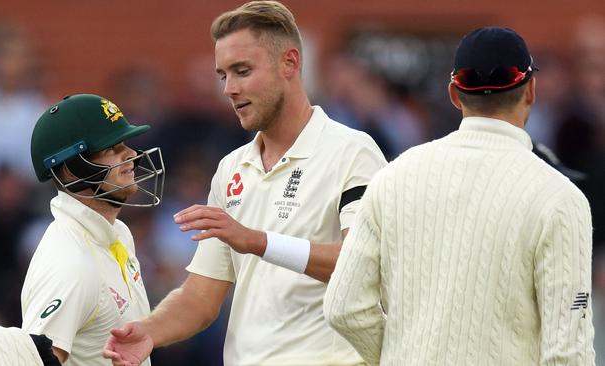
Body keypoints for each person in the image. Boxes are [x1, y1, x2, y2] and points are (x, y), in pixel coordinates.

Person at [103, 1, 387, 365]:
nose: (229, 89)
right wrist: (151, 331)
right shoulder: (232, 168)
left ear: (290, 63)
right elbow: (201, 297)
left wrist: (257, 241)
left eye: (242, 71)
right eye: (223, 75)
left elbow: (360, 262)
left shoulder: (353, 152)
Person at [323, 26, 595, 365]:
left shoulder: (392, 178)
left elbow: (344, 308)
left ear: (454, 94)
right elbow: (567, 350)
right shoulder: (560, 197)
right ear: (531, 92)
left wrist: (401, 354)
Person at [21, 93, 165, 366]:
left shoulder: (118, 233)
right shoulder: (70, 264)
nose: (132, 155)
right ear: (72, 170)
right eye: (111, 148)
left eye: (125, 143)